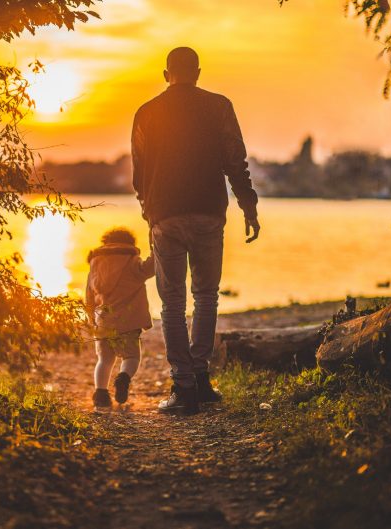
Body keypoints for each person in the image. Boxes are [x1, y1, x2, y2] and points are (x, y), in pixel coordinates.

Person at [131, 46, 261, 415]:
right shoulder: (219, 106)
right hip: (207, 211)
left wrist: (148, 210)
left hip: (165, 215)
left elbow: (139, 171)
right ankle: (201, 379)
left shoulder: (146, 112)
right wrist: (248, 206)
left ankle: (184, 385)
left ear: (165, 73)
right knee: (206, 295)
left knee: (172, 302)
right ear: (198, 72)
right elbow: (235, 160)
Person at [85, 227, 155, 409]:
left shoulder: (95, 264)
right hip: (128, 322)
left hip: (103, 321)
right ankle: (123, 378)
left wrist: (91, 319)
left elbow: (89, 296)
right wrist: (156, 247)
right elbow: (151, 268)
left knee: (104, 360)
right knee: (131, 357)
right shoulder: (132, 261)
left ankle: (100, 394)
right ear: (130, 244)